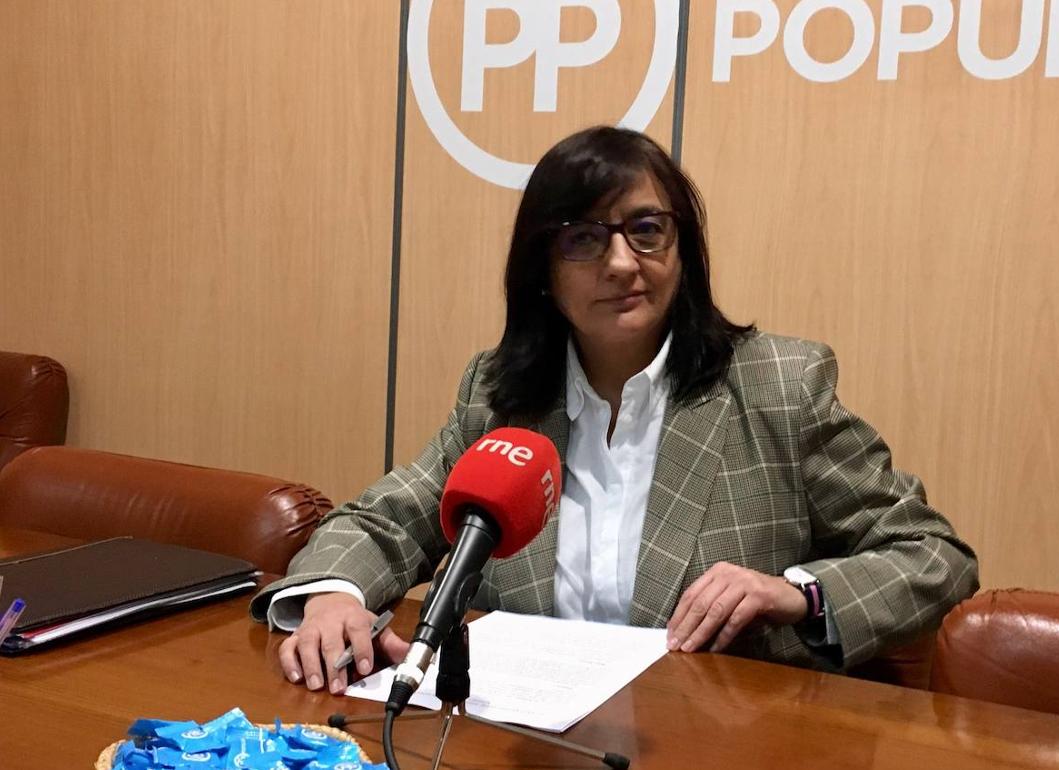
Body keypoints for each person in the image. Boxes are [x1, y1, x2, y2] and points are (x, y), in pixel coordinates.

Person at [250, 126, 979, 695]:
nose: (624, 263)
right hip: (522, 742)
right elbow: (384, 521)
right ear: (543, 270)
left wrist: (797, 594)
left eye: (646, 230)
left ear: (682, 251)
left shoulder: (777, 385)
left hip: (715, 744)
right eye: (585, 239)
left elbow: (933, 556)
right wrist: (334, 597)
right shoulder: (500, 396)